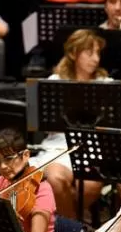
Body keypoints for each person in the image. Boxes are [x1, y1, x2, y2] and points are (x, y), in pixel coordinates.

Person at [32, 29, 111, 217]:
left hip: (93, 148)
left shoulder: (106, 83)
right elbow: (41, 122)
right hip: (59, 147)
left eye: (98, 53)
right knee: (56, 179)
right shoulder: (55, 81)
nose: (95, 59)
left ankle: (66, 227)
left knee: (90, 186)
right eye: (89, 53)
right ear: (74, 54)